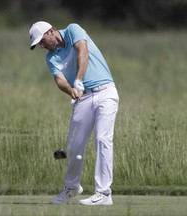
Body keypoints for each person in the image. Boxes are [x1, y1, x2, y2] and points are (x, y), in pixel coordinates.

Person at [29, 21, 119, 205]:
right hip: (83, 98)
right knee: (74, 147)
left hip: (105, 92)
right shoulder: (51, 57)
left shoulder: (73, 30)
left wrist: (78, 79)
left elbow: (82, 51)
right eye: (38, 44)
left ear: (51, 31)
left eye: (42, 40)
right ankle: (72, 188)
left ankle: (103, 193)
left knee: (103, 140)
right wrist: (71, 90)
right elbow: (59, 79)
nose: (41, 45)